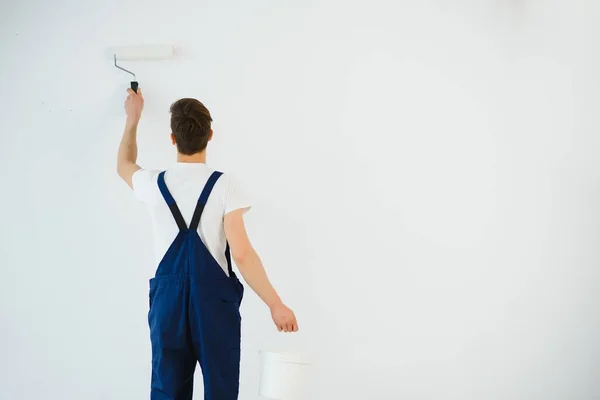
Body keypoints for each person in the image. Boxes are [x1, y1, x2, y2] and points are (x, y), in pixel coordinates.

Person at [116, 88, 298, 400]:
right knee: (221, 389)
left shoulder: (153, 183)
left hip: (167, 304)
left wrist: (133, 118)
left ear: (172, 138)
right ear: (210, 135)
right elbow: (241, 254)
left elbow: (124, 163)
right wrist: (275, 303)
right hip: (214, 303)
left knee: (167, 390)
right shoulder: (226, 186)